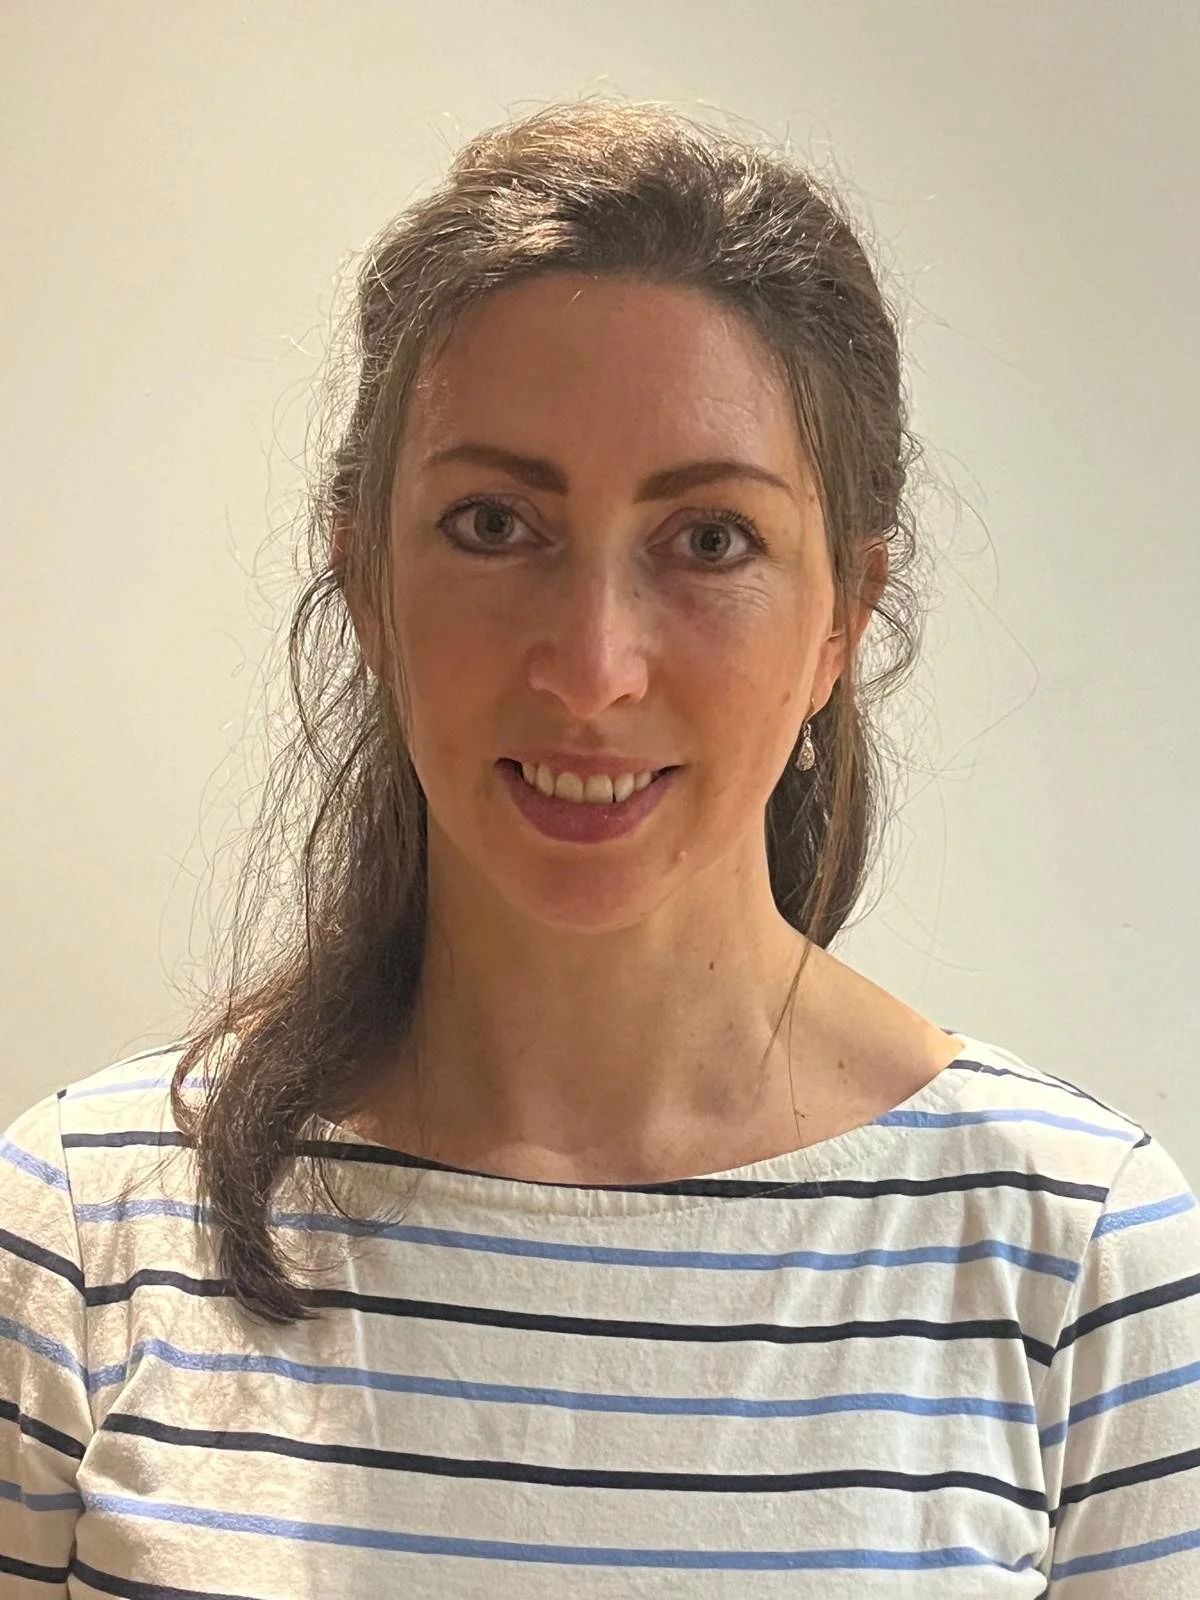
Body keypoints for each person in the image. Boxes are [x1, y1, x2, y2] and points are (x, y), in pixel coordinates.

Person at [2, 98, 1198, 1599]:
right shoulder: (76, 1228)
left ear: (844, 614)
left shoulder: (1079, 1254)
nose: (592, 670)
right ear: (364, 579)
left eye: (710, 541)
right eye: (495, 525)